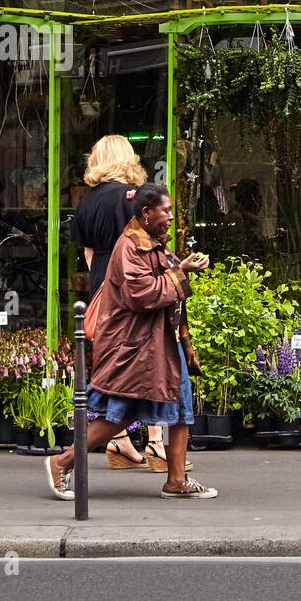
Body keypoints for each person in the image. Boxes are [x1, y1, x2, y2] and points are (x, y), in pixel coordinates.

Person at [46, 184, 215, 500]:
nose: (170, 216)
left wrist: (181, 271)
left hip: (159, 343)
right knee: (121, 415)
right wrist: (182, 271)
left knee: (181, 407)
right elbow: (144, 295)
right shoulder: (130, 247)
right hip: (137, 347)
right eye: (165, 211)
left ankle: (176, 480)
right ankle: (62, 461)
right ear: (146, 214)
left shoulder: (153, 243)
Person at [73, 136, 189, 472]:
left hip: (103, 284)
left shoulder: (86, 203)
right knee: (150, 360)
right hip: (135, 285)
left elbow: (88, 253)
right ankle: (154, 442)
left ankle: (120, 441)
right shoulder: (131, 198)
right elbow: (147, 243)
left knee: (117, 365)